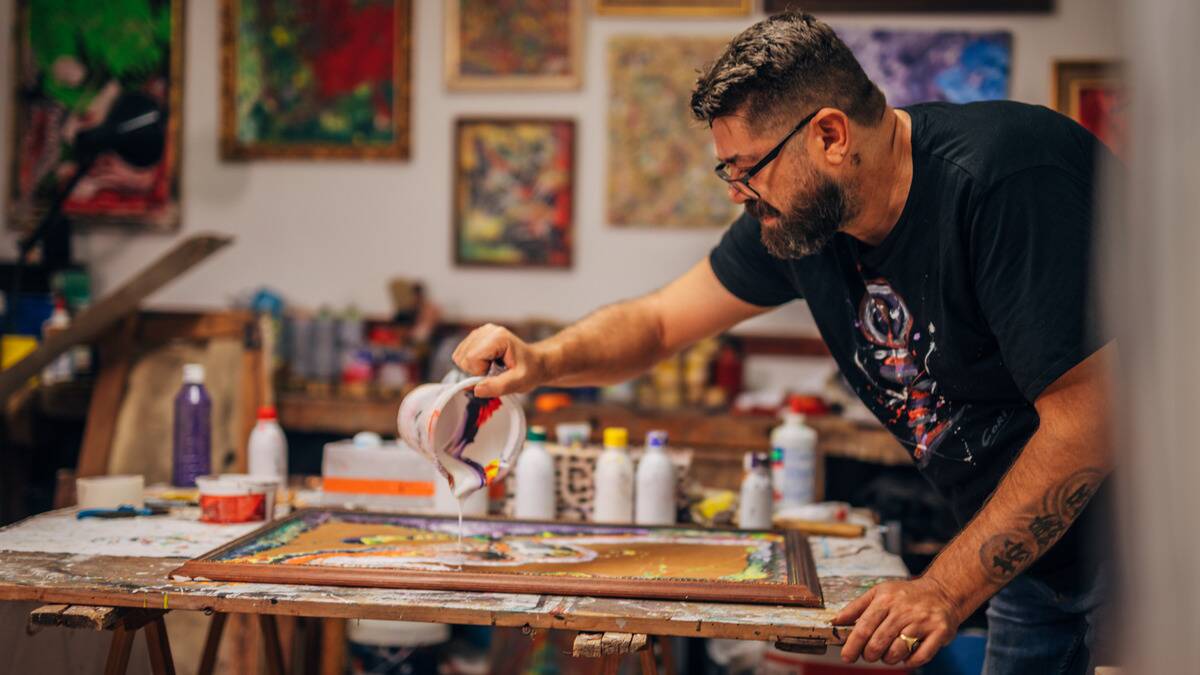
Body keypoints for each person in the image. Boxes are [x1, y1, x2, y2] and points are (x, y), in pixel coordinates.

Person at [451, 12, 1113, 673]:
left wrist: (941, 587)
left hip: (1147, 556)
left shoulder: (1006, 183)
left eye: (749, 167)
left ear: (830, 134)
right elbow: (657, 322)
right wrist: (545, 359)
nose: (739, 192)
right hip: (1034, 560)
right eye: (726, 170)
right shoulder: (804, 221)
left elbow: (1091, 419)